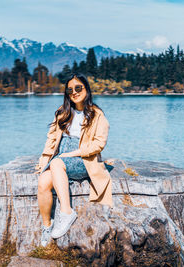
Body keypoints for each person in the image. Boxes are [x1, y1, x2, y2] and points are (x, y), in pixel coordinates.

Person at [34, 73, 113, 247]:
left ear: (86, 89)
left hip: (84, 159)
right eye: (70, 90)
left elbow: (99, 144)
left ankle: (67, 211)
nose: (74, 92)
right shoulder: (62, 113)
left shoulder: (97, 115)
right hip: (60, 159)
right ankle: (47, 226)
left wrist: (73, 154)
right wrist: (44, 159)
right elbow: (52, 140)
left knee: (56, 163)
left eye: (78, 88)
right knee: (42, 183)